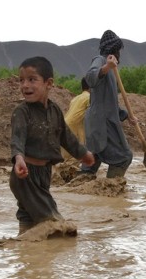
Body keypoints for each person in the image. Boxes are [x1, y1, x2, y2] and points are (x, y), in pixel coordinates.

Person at [10, 56, 95, 235]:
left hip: (44, 173)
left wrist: (84, 154)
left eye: (32, 80)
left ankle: (25, 249)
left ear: (49, 84)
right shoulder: (21, 113)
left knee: (29, 216)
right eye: (21, 80)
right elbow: (17, 139)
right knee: (53, 221)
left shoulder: (55, 110)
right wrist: (18, 159)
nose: (25, 85)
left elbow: (66, 137)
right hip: (25, 174)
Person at [79, 30, 132, 179]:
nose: (120, 53)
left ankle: (79, 189)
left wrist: (127, 116)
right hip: (101, 123)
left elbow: (109, 102)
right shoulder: (100, 60)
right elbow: (90, 78)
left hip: (97, 121)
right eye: (118, 50)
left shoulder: (111, 70)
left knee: (92, 161)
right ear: (113, 49)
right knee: (124, 157)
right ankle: (111, 191)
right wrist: (106, 67)